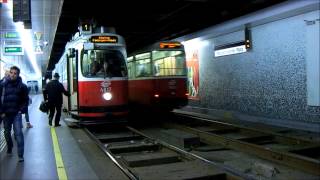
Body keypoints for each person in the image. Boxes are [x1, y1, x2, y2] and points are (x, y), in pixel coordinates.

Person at [0, 66, 29, 162]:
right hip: (6, 114)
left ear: (18, 75)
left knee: (18, 134)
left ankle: (20, 155)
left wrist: (21, 110)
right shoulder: (3, 85)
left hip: (16, 114)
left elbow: (25, 100)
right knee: (7, 133)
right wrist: (1, 112)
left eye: (15, 73)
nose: (12, 75)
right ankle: (10, 146)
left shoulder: (22, 86)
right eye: (11, 72)